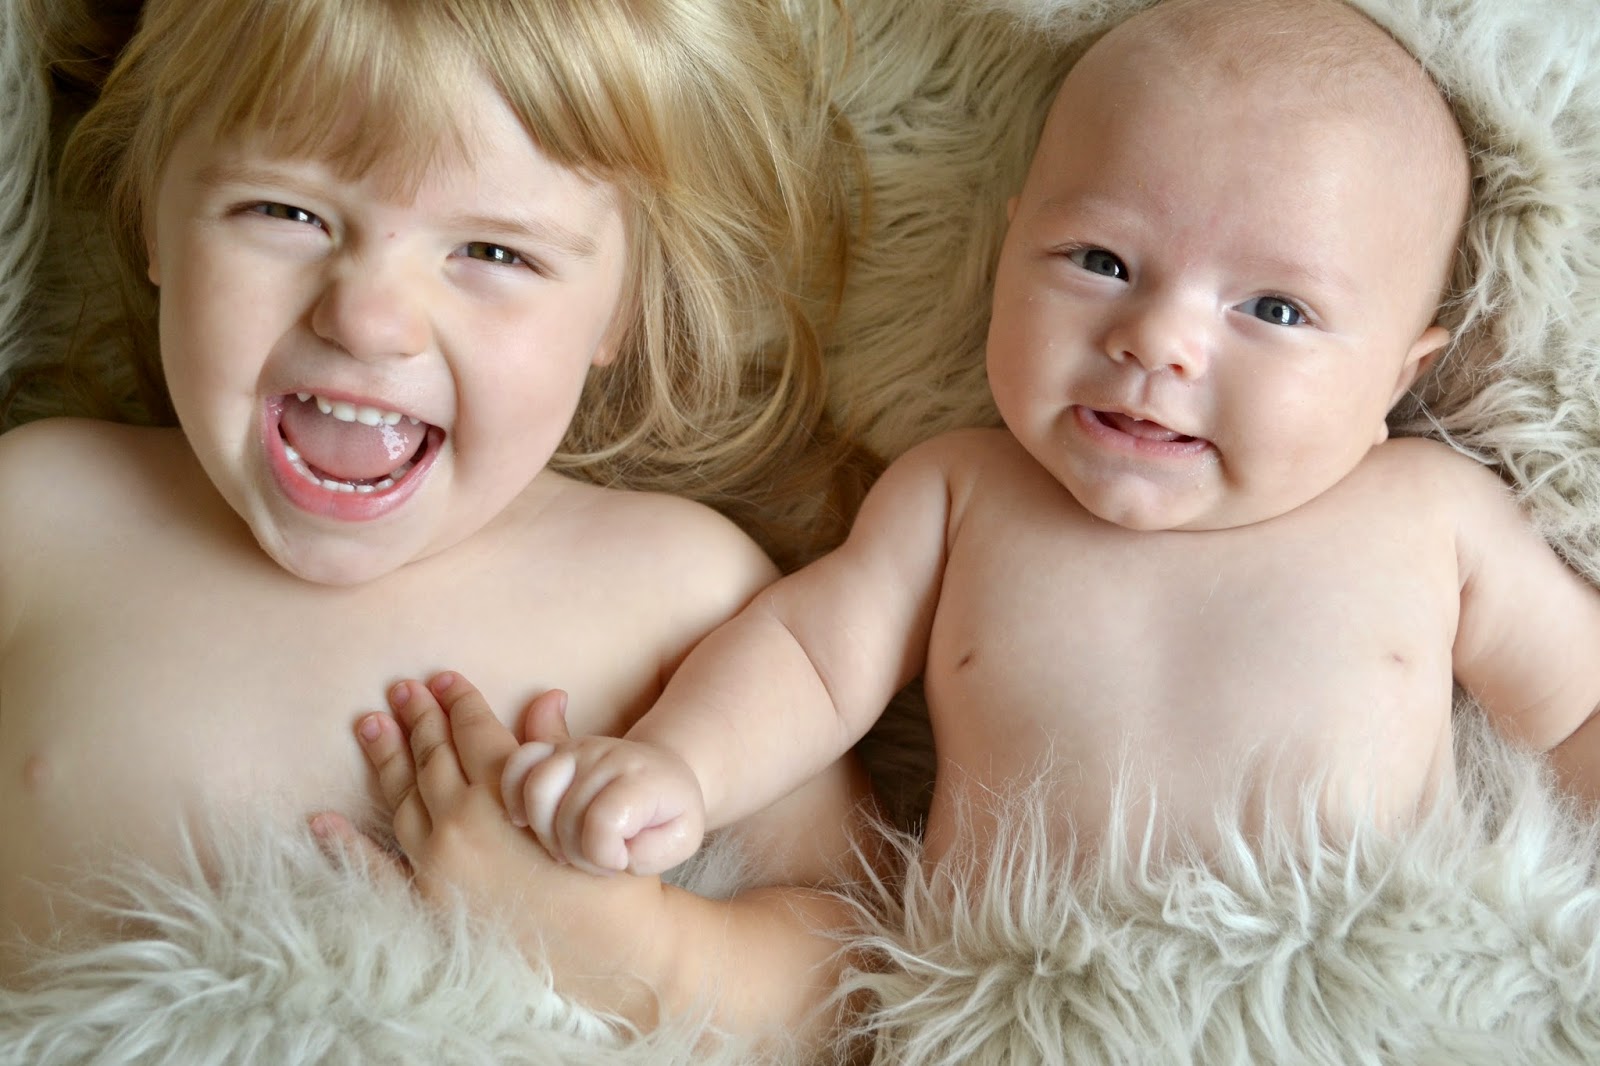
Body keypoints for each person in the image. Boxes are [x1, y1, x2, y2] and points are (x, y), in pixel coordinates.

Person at [489, 0, 1600, 881]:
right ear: (1008, 248)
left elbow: (1582, 712)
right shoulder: (961, 493)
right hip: (1031, 1000)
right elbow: (812, 658)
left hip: (1350, 996)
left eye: (1274, 309)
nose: (1156, 340)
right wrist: (681, 766)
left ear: (1397, 376)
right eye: (1100, 262)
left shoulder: (1430, 515)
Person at [0, 0, 875, 1043]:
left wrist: (635, 951)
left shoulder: (685, 594)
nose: (368, 318)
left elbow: (861, 972)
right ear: (154, 212)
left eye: (494, 252)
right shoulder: (39, 516)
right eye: (285, 211)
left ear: (623, 303)